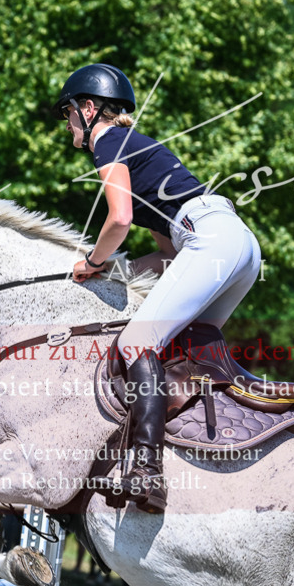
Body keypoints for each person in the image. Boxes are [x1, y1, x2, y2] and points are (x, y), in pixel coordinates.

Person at [54, 64, 262, 514]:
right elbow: (167, 257)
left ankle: (146, 469)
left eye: (69, 114)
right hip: (238, 244)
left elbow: (120, 219)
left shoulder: (106, 140)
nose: (67, 125)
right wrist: (114, 271)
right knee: (182, 352)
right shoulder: (140, 148)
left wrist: (92, 261)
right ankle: (214, 446)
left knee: (136, 343)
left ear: (89, 109)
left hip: (208, 238)